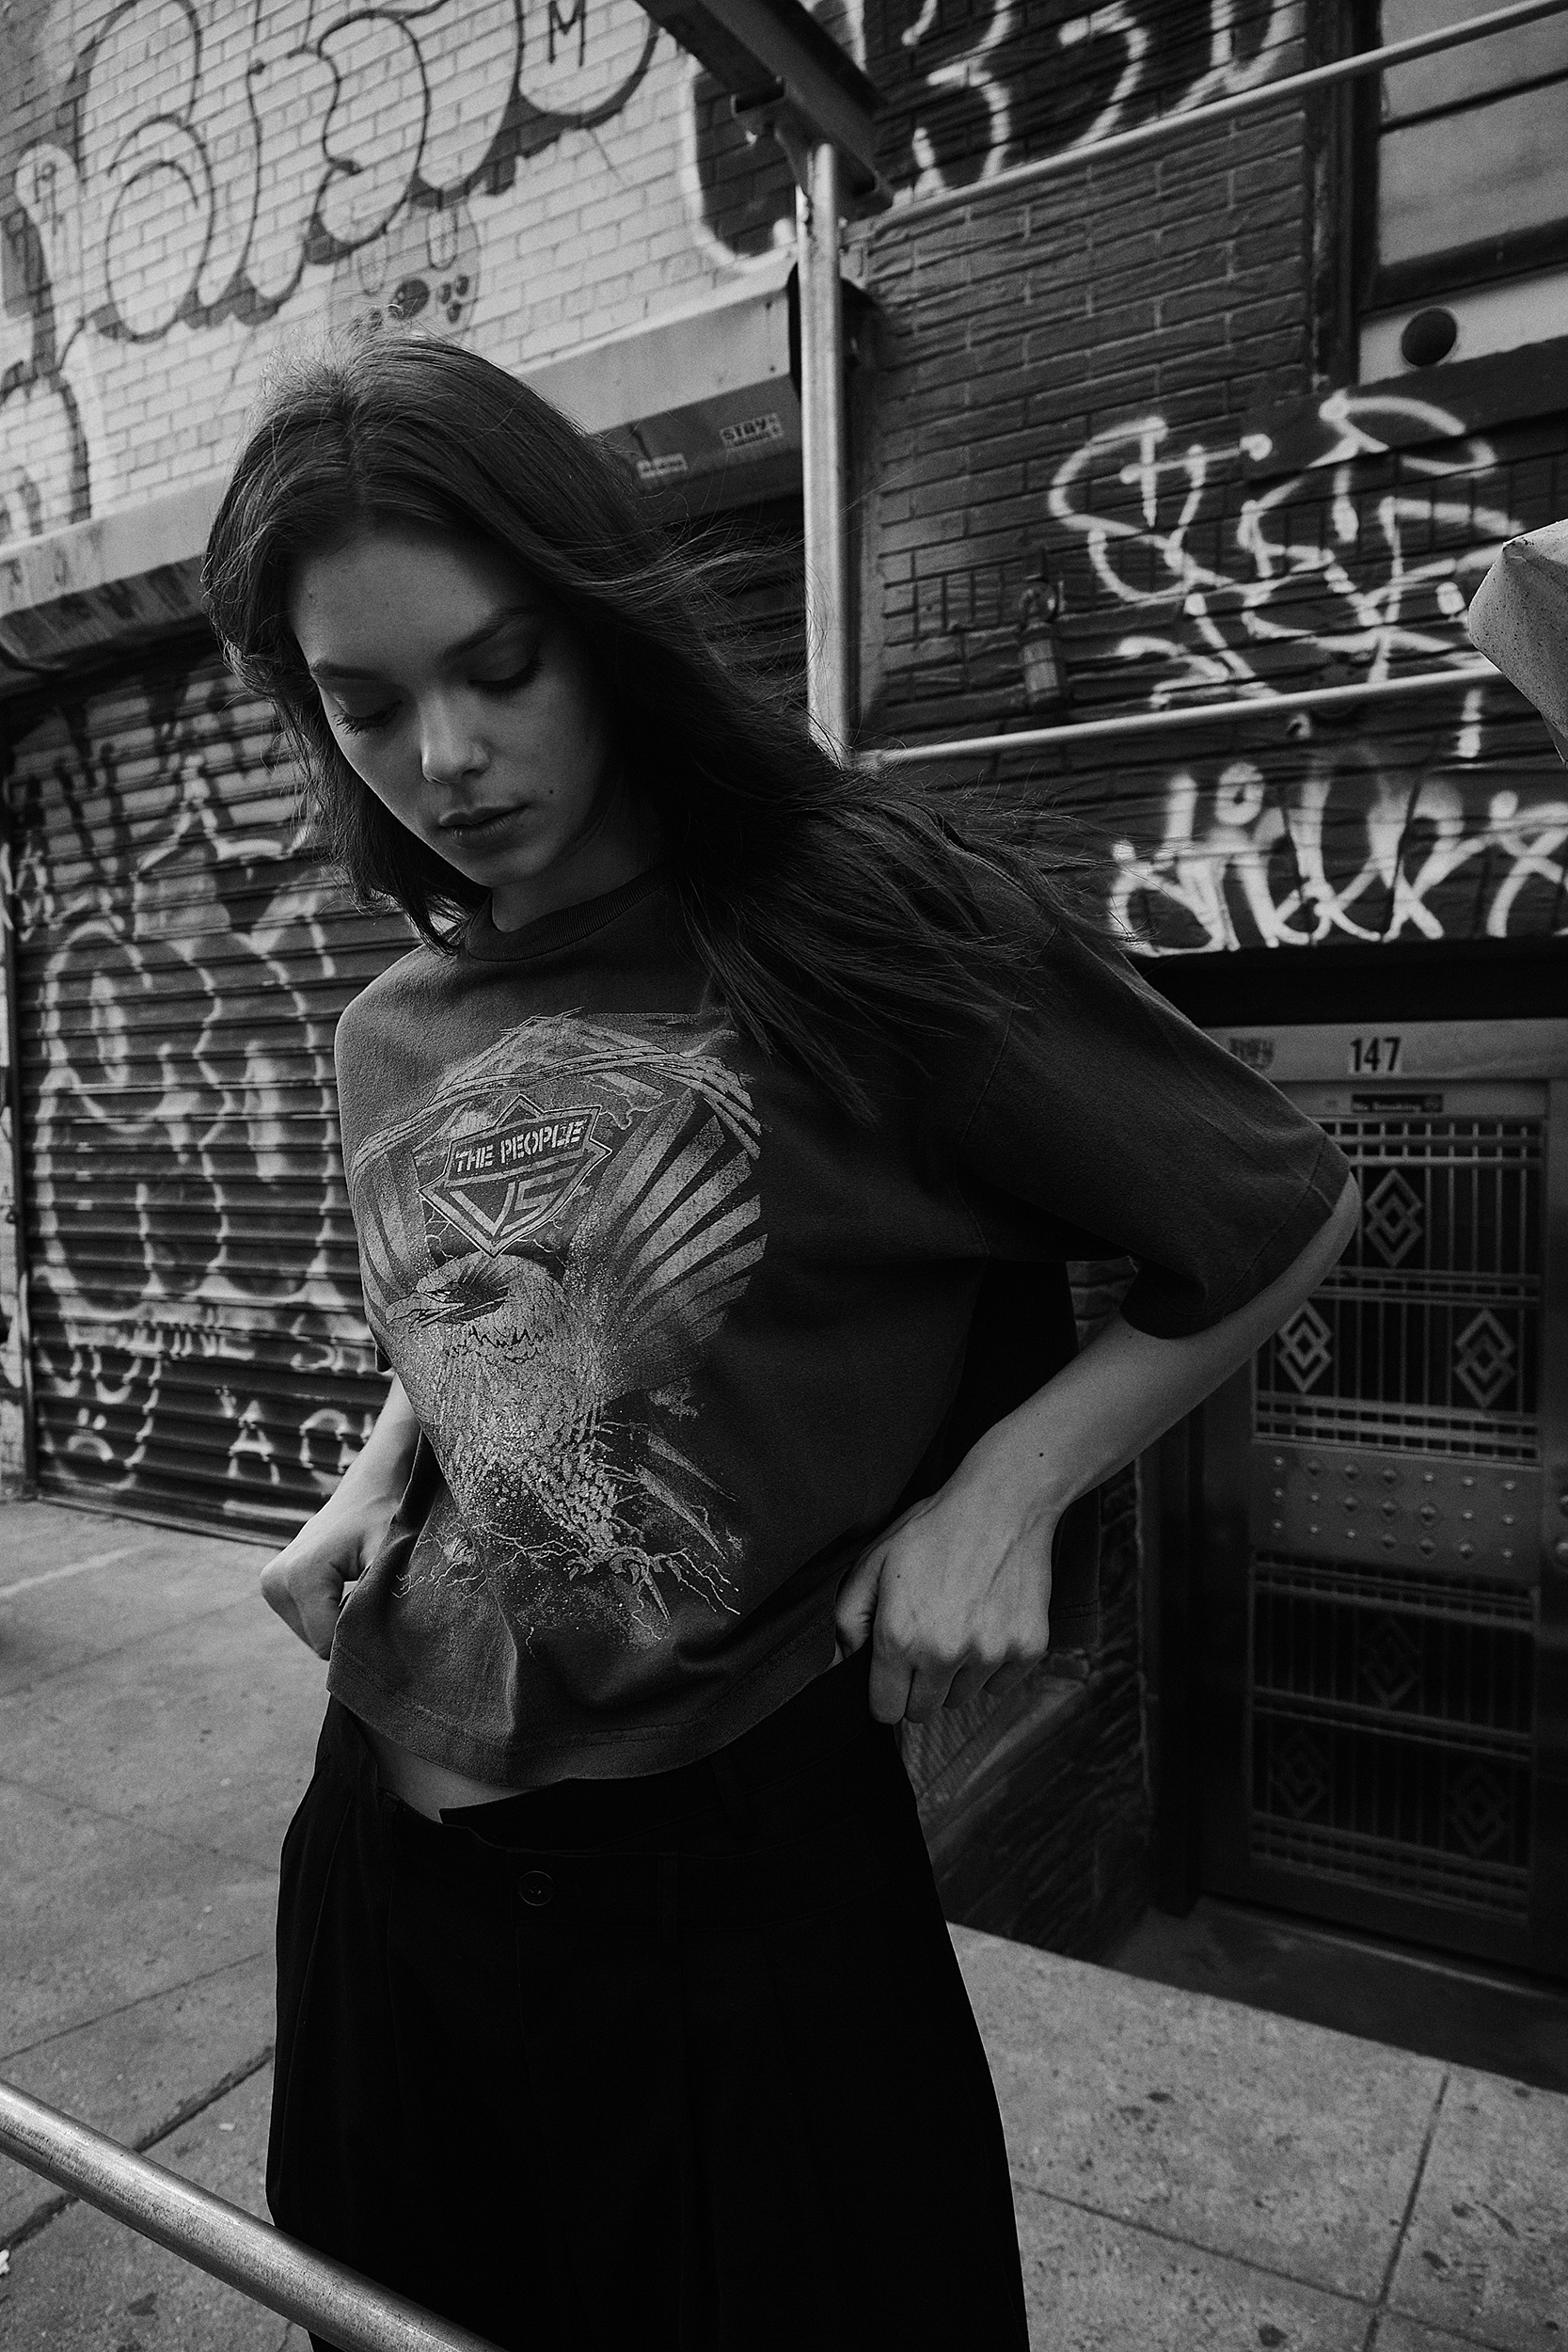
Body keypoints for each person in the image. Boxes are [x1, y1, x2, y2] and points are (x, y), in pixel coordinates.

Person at [201, 334, 1358, 2352]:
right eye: (365, 704)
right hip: (380, 1878)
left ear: (601, 622)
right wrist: (383, 1466)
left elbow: (1278, 1203)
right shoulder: (390, 1024)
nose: (446, 758)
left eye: (499, 667)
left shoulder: (847, 921)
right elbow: (486, 1295)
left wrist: (1008, 1490)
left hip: (724, 1912)